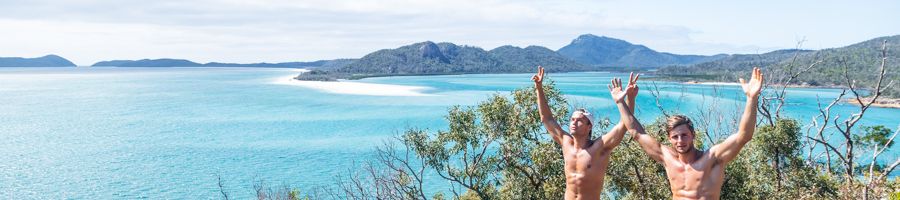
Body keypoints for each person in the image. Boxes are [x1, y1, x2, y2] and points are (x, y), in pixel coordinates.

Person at [612, 67, 764, 199]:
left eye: (684, 135)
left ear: (693, 135)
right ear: (670, 139)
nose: (680, 141)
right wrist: (621, 102)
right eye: (675, 137)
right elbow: (636, 132)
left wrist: (752, 98)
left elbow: (744, 135)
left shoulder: (712, 158)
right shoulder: (667, 158)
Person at [532, 66, 640, 199]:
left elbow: (624, 124)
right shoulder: (566, 143)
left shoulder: (599, 147)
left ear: (589, 126)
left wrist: (630, 97)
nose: (573, 122)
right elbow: (547, 119)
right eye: (572, 119)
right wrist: (539, 87)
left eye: (579, 120)